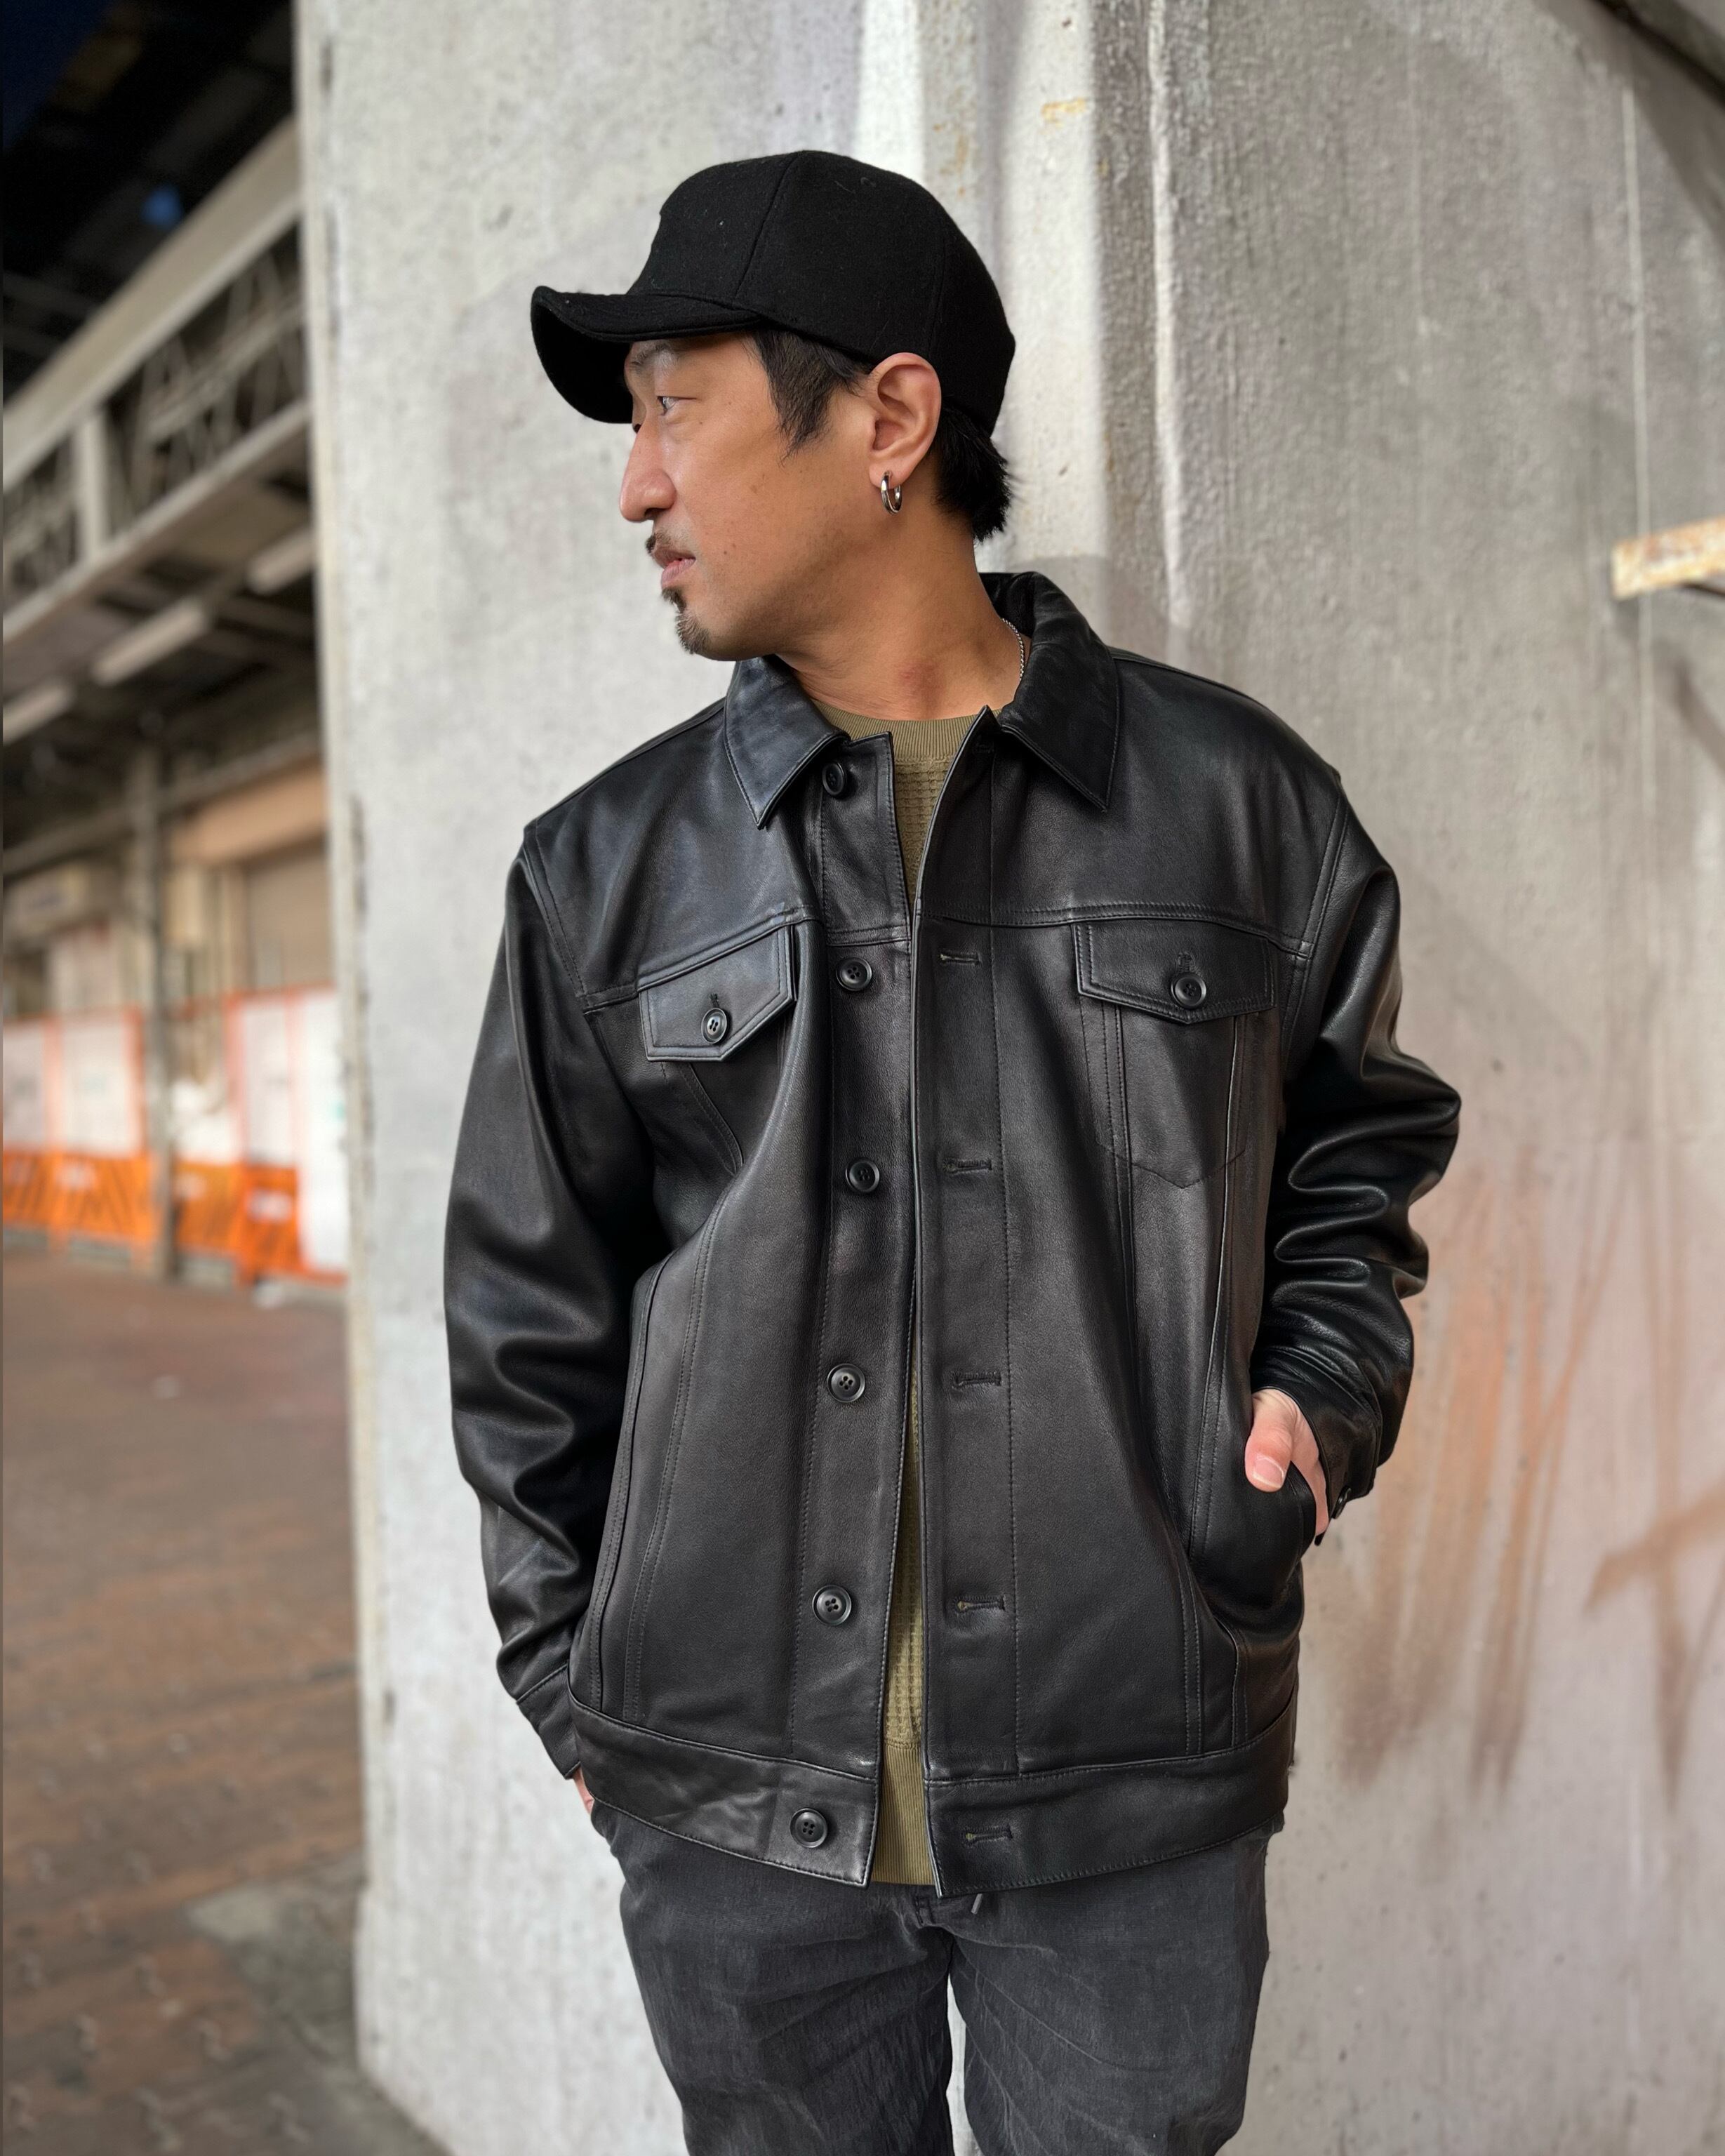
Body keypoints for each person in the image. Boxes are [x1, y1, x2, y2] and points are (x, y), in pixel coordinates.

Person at [444, 147, 1460, 2156]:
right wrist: (579, 1690)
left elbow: (1357, 1158)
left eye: (672, 408)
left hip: (1132, 1764)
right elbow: (525, 1325)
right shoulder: (602, 871)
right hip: (731, 1811)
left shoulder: (1241, 809)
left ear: (888, 419)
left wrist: (1315, 1406)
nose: (636, 487)